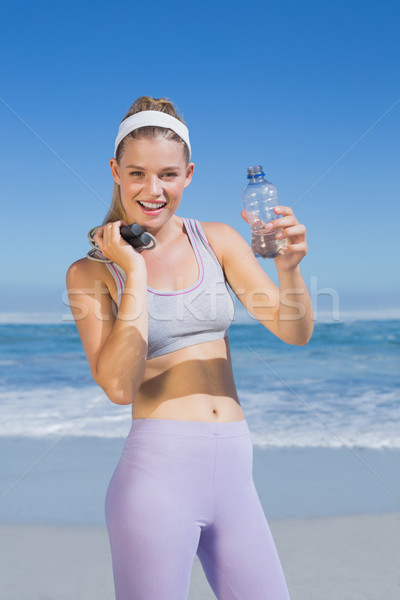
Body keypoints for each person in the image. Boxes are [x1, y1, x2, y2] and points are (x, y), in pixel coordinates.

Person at [66, 95, 313, 600]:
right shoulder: (91, 273)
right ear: (116, 171)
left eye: (168, 175)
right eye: (137, 173)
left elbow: (294, 330)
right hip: (156, 481)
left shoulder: (217, 240)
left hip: (236, 478)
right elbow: (117, 386)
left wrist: (289, 271)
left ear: (189, 174)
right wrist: (133, 271)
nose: (152, 190)